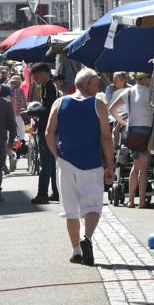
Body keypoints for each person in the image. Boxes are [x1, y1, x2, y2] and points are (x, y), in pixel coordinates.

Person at [45, 69, 115, 266]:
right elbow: (106, 137)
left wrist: (56, 155)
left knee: (70, 209)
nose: (98, 86)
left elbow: (49, 132)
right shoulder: (98, 104)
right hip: (91, 162)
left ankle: (76, 251)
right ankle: (88, 238)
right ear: (86, 84)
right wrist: (110, 165)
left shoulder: (59, 103)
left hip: (66, 162)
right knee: (93, 205)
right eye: (96, 82)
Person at [109, 72, 154, 208]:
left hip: (132, 132)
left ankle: (131, 201)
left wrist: (122, 122)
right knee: (144, 169)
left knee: (136, 166)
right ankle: (141, 202)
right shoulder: (151, 92)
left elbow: (112, 109)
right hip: (146, 131)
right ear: (145, 79)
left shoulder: (128, 92)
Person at [29, 62, 59, 204]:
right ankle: (56, 191)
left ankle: (42, 194)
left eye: (36, 76)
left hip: (47, 129)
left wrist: (30, 111)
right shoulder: (49, 87)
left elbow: (47, 109)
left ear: (43, 74)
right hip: (51, 128)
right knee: (51, 163)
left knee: (45, 162)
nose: (35, 79)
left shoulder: (49, 88)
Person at [8, 76, 27, 172]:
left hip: (8, 117)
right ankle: (17, 153)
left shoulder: (7, 90)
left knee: (9, 136)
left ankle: (11, 154)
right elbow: (24, 103)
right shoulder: (20, 91)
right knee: (21, 135)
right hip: (18, 116)